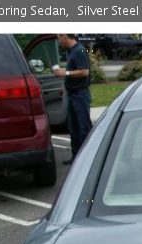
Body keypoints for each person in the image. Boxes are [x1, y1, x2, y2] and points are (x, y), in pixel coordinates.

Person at [52, 34, 92, 164]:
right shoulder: (71, 51)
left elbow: (84, 71)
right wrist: (64, 71)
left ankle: (88, 158)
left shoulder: (80, 50)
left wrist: (66, 73)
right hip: (72, 94)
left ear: (64, 36)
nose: (58, 41)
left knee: (83, 127)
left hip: (80, 94)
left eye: (59, 37)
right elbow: (74, 69)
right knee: (73, 128)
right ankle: (76, 157)